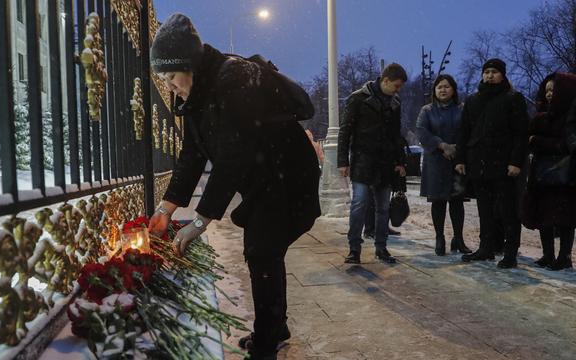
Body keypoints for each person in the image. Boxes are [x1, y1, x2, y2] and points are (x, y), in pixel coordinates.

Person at [147, 14, 321, 360]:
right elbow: (194, 154)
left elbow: (232, 157)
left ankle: (267, 345)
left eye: (170, 77)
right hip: (262, 175)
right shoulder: (198, 94)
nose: (170, 87)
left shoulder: (235, 78)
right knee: (265, 252)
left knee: (262, 251)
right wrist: (165, 209)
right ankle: (275, 327)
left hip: (287, 174)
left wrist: (200, 221)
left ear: (188, 64)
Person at [454, 58, 528, 269]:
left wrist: (516, 162)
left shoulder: (513, 98)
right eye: (486, 71)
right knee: (484, 209)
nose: (489, 75)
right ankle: (486, 248)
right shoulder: (473, 100)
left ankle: (510, 252)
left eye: (494, 71)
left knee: (508, 211)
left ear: (503, 74)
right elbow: (464, 132)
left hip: (503, 164)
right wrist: (460, 158)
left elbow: (520, 134)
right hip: (479, 162)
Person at [337, 63, 408, 264]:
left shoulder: (395, 102)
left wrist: (400, 162)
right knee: (359, 204)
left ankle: (381, 247)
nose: (398, 89)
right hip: (363, 160)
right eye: (396, 85)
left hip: (385, 163)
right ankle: (354, 249)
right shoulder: (358, 98)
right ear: (385, 81)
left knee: (383, 208)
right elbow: (345, 131)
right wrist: (343, 161)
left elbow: (396, 135)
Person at [522, 72, 576, 270]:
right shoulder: (541, 116)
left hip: (564, 175)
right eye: (547, 91)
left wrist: (538, 141)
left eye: (554, 90)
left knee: (564, 218)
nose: (549, 94)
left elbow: (565, 145)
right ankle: (548, 254)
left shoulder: (570, 118)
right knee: (544, 215)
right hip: (542, 174)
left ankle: (564, 256)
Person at [416, 74, 471, 256]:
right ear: (434, 91)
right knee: (438, 201)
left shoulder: (462, 109)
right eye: (439, 87)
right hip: (436, 162)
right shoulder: (427, 110)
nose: (443, 90)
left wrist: (457, 149)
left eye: (446, 86)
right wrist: (441, 145)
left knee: (457, 202)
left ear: (453, 89)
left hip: (457, 161)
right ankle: (439, 238)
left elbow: (468, 131)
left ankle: (458, 239)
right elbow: (422, 132)